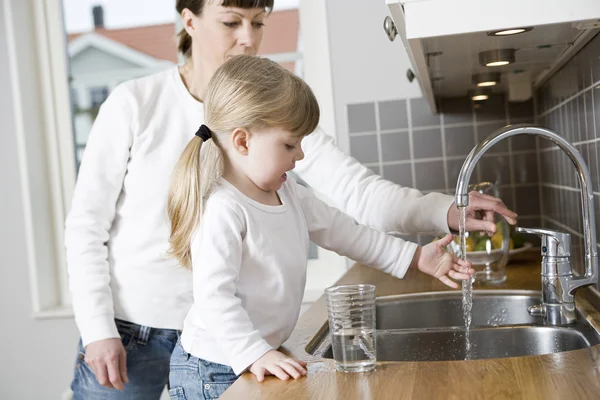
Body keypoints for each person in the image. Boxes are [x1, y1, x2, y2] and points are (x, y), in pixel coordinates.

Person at [65, 1, 517, 399]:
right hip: (133, 330)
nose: (248, 38)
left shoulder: (277, 123)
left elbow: (353, 208)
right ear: (190, 20)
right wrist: (98, 329)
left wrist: (444, 214)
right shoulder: (135, 103)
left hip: (232, 338)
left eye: (259, 22)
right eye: (231, 21)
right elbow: (86, 225)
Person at [167, 54, 475, 398]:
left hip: (253, 356)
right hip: (214, 367)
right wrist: (255, 352)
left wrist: (417, 257)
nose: (299, 155)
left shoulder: (289, 192)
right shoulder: (223, 208)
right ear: (242, 141)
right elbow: (213, 298)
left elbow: (344, 231)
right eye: (289, 144)